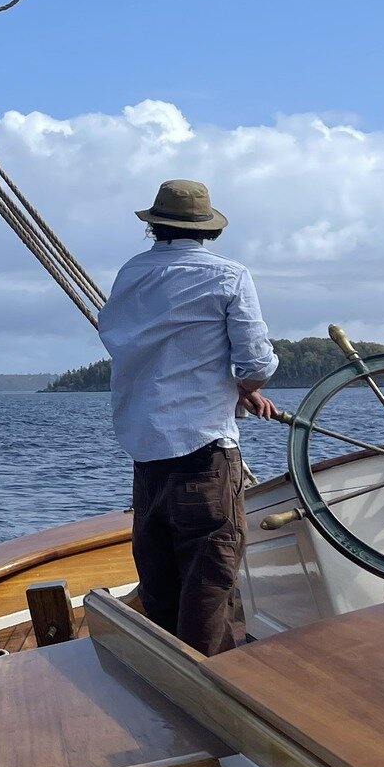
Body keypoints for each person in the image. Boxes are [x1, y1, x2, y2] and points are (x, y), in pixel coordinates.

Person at [97, 179, 278, 655]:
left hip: (147, 461)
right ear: (208, 230)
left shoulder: (131, 275)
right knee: (210, 585)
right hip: (205, 456)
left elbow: (129, 345)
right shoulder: (229, 276)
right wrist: (245, 388)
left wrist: (231, 387)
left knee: (160, 585)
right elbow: (256, 361)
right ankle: (211, 693)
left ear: (154, 225)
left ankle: (167, 694)